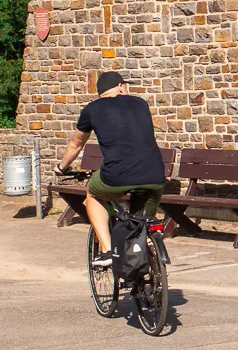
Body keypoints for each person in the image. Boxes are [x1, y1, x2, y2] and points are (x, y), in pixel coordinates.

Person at [57, 70, 166, 271]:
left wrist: (61, 167)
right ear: (120, 87)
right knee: (141, 226)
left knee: (92, 192)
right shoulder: (141, 104)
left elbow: (76, 144)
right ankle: (153, 272)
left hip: (117, 176)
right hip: (155, 175)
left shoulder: (92, 109)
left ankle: (107, 250)